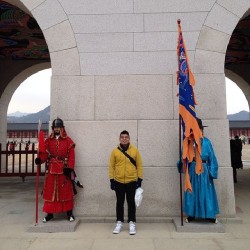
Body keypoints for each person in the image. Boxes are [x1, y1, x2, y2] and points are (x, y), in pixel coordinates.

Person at [35, 118, 77, 223]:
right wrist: (40, 159)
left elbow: (71, 156)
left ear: (62, 128)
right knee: (50, 191)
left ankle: (69, 213)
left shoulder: (68, 140)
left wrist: (70, 168)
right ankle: (49, 214)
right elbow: (44, 154)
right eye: (55, 127)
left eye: (58, 127)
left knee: (65, 192)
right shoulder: (48, 140)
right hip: (52, 169)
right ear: (53, 129)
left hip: (64, 169)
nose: (57, 129)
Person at [181, 118, 220, 223]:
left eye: (198, 128)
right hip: (193, 170)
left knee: (206, 192)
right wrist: (182, 163)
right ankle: (191, 214)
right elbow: (184, 156)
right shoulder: (189, 142)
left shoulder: (207, 142)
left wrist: (212, 171)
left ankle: (210, 215)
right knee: (192, 192)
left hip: (204, 170)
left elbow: (212, 158)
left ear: (201, 129)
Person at [109, 130, 143, 235]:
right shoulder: (115, 151)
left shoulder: (135, 151)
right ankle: (119, 222)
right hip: (118, 181)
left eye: (126, 137)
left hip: (131, 181)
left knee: (131, 203)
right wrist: (111, 180)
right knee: (119, 203)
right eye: (122, 137)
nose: (124, 138)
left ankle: (132, 223)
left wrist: (139, 180)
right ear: (119, 139)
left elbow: (139, 165)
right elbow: (111, 166)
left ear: (129, 138)